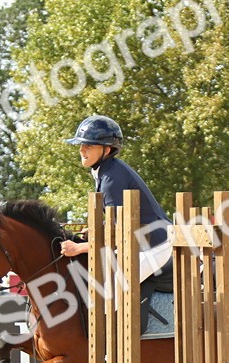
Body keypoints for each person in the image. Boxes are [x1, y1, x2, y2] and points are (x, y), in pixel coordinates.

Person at [58, 115, 173, 284]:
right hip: (141, 239)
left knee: (113, 294)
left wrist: (78, 248)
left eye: (88, 145)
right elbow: (119, 223)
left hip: (153, 245)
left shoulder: (111, 179)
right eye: (81, 144)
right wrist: (99, 228)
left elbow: (120, 234)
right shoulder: (107, 171)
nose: (82, 149)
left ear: (108, 149)